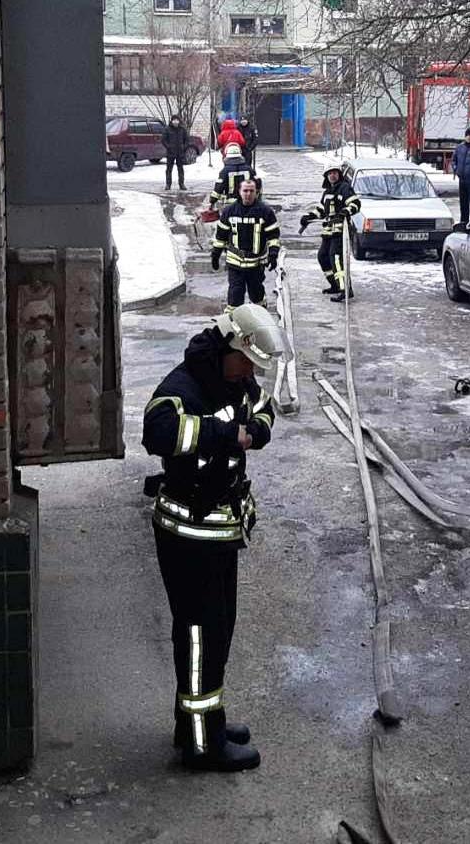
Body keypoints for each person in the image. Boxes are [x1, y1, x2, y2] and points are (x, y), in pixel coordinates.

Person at [142, 305, 291, 772]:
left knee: (218, 629)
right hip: (189, 535)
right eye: (247, 361)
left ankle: (201, 722)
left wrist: (259, 430)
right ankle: (202, 746)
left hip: (220, 532)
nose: (250, 372)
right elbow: (157, 431)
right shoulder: (182, 387)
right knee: (200, 635)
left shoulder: (233, 379)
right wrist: (227, 435)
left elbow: (262, 407)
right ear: (229, 347)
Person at [212, 179, 281, 311]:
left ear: (257, 192)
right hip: (235, 263)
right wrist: (215, 254)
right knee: (235, 296)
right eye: (245, 190)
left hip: (256, 264)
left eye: (251, 191)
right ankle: (233, 326)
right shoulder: (229, 211)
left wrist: (273, 254)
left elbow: (273, 237)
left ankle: (260, 324)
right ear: (239, 192)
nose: (248, 194)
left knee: (257, 297)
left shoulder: (265, 212)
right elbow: (221, 236)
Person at [299, 165, 361, 302]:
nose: (332, 176)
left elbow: (355, 204)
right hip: (328, 231)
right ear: (326, 176)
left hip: (340, 231)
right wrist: (309, 217)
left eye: (334, 173)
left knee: (336, 259)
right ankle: (335, 285)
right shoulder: (327, 191)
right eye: (329, 174)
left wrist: (345, 212)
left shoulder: (344, 188)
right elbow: (322, 210)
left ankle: (345, 289)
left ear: (339, 174)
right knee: (323, 257)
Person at [209, 144, 260, 209]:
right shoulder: (249, 169)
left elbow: (218, 189)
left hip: (230, 205)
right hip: (247, 203)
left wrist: (212, 201)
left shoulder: (224, 171)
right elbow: (258, 184)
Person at [162, 114, 190, 192]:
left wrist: (183, 147)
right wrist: (168, 147)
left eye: (177, 120)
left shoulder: (182, 129)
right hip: (170, 153)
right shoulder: (167, 129)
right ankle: (168, 184)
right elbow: (163, 140)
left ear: (179, 121)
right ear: (171, 121)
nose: (175, 122)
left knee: (180, 169)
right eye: (174, 120)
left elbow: (187, 140)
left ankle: (181, 184)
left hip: (180, 153)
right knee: (169, 169)